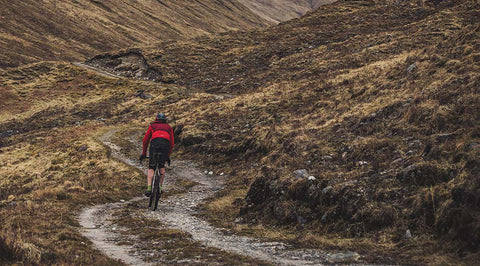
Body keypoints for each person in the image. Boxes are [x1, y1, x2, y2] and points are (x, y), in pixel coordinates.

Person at [139, 113, 174, 197]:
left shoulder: (152, 126)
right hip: (165, 146)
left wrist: (144, 153)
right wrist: (167, 156)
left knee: (151, 167)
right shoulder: (169, 128)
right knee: (161, 166)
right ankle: (160, 187)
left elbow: (145, 140)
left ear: (156, 119)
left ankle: (148, 188)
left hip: (154, 145)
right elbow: (172, 143)